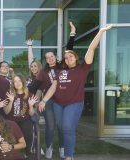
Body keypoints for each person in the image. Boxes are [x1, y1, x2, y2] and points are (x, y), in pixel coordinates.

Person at [39, 25, 113, 160]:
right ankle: (66, 151)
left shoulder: (82, 68)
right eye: (66, 58)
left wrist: (101, 32)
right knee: (61, 126)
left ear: (75, 57)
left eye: (70, 56)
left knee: (67, 127)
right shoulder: (61, 71)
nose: (68, 58)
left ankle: (69, 155)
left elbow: (91, 48)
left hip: (74, 103)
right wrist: (44, 100)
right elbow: (53, 87)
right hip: (58, 104)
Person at [28, 22, 77, 159]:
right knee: (50, 126)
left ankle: (62, 148)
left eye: (51, 56)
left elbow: (69, 50)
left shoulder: (62, 66)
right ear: (45, 60)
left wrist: (72, 33)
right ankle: (49, 147)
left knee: (61, 126)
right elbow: (32, 87)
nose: (49, 58)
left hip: (62, 101)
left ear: (55, 57)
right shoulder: (43, 72)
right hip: (48, 101)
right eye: (47, 57)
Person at [4, 74, 39, 158]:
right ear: (13, 84)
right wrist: (11, 101)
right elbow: (6, 112)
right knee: (11, 127)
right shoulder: (10, 94)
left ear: (23, 82)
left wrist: (30, 106)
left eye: (19, 81)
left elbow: (31, 114)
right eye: (15, 81)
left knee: (27, 126)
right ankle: (13, 153)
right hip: (12, 120)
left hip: (25, 120)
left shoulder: (29, 95)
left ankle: (27, 152)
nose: (17, 83)